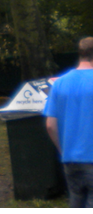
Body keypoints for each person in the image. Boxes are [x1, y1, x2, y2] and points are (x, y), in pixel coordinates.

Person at [44, 36, 93, 208]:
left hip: (70, 160)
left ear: (80, 54)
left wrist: (64, 151)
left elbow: (50, 125)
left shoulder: (59, 84)